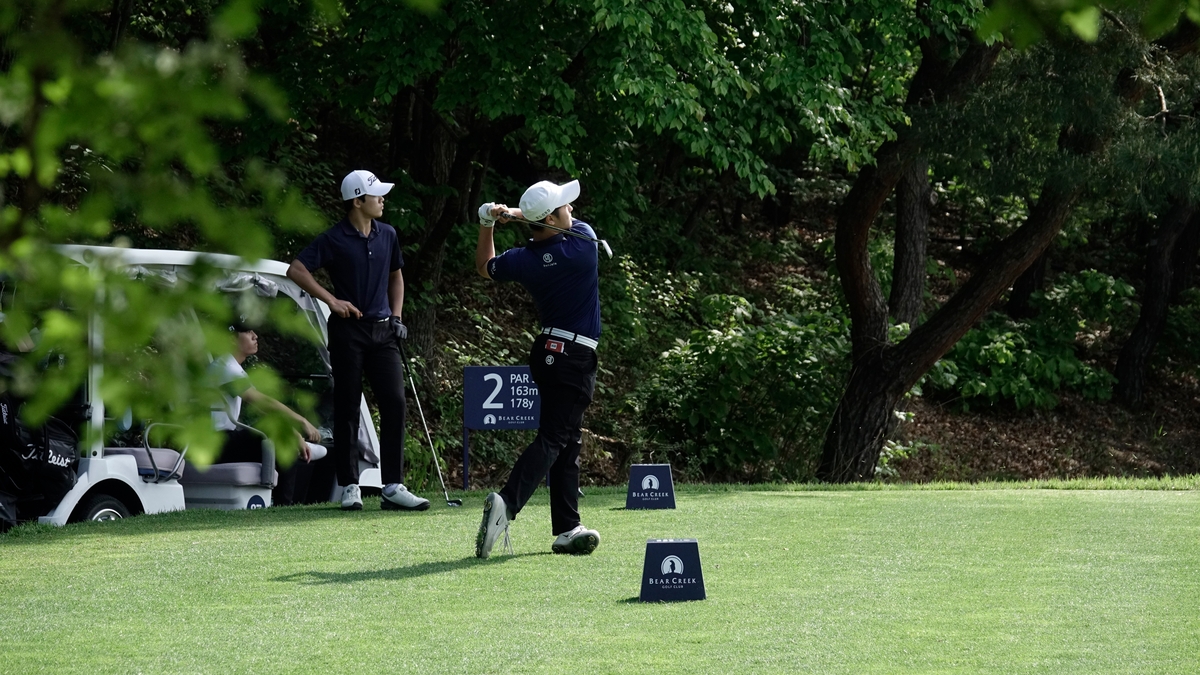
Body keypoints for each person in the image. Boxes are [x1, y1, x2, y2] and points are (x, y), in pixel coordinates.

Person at [472, 179, 602, 558]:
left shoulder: (523, 259)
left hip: (546, 350)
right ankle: (507, 504)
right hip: (574, 356)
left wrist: (488, 223)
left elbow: (484, 267)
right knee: (554, 437)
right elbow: (561, 225)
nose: (572, 210)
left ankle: (567, 527)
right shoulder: (583, 244)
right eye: (565, 207)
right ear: (552, 217)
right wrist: (514, 213)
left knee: (566, 438)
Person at [286, 170, 430, 512]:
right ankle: (350, 485)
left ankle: (392, 485)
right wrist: (331, 301)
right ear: (357, 201)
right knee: (348, 405)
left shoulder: (388, 234)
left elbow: (396, 277)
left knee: (395, 402)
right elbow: (296, 269)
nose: (382, 199)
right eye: (375, 195)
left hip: (383, 332)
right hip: (348, 331)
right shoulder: (334, 238)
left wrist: (396, 317)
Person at [210, 323, 326, 505]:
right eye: (248, 332)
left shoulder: (231, 366)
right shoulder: (225, 367)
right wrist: (300, 422)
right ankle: (284, 505)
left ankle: (283, 503)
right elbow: (261, 401)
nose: (255, 336)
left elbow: (262, 409)